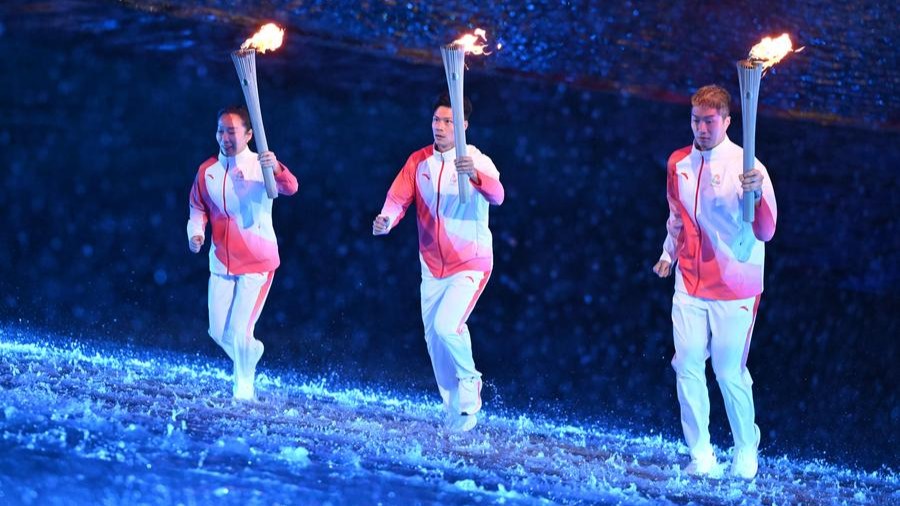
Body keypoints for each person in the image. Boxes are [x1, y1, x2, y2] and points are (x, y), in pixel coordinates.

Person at [652, 85, 777, 479]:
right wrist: (667, 254)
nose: (701, 128)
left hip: (736, 285)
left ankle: (745, 448)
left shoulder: (748, 166)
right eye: (696, 120)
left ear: (726, 121)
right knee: (687, 364)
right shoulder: (679, 164)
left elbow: (767, 230)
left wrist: (755, 197)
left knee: (727, 371)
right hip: (689, 282)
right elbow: (677, 219)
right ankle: (701, 454)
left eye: (709, 121)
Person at [373, 93, 505, 432]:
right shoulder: (419, 162)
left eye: (448, 122)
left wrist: (474, 174)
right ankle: (454, 411)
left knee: (449, 326)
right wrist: (386, 219)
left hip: (471, 263)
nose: (440, 127)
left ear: (463, 126)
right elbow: (397, 198)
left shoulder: (477, 159)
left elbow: (498, 194)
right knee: (435, 341)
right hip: (432, 266)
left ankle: (470, 381)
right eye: (436, 120)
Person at [187, 105, 299, 400]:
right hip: (221, 261)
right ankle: (251, 351)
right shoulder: (207, 170)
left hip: (256, 261)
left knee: (238, 332)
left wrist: (274, 167)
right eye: (220, 130)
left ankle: (243, 391)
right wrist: (196, 233)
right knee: (217, 332)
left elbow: (290, 187)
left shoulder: (260, 165)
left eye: (232, 131)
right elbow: (197, 208)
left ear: (249, 134)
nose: (225, 137)